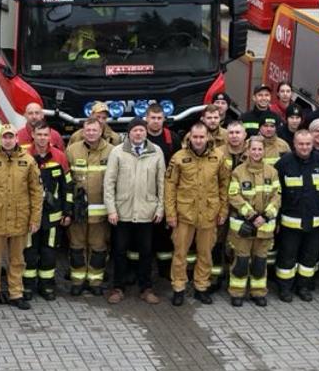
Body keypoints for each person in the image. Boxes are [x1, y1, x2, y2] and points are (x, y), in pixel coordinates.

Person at [0, 125, 42, 311]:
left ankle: (16, 294)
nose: (8, 140)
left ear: (16, 139)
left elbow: (36, 192)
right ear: (0, 139)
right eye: (5, 137)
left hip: (20, 219)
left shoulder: (28, 161)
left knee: (17, 260)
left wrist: (35, 218)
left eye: (11, 137)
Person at [162, 123, 229, 306]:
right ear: (189, 137)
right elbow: (170, 187)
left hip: (209, 213)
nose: (198, 140)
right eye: (195, 137)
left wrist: (223, 210)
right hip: (184, 214)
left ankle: (201, 287)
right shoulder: (178, 158)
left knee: (205, 253)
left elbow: (224, 185)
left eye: (202, 137)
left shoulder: (218, 157)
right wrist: (170, 214)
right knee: (180, 254)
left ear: (208, 137)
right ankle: (178, 288)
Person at [105, 121, 166, 305]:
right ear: (129, 133)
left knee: (146, 252)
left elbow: (162, 182)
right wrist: (111, 209)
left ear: (146, 132)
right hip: (122, 211)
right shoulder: (117, 152)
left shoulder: (156, 152)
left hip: (147, 212)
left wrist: (160, 208)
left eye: (141, 130)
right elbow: (109, 182)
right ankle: (118, 288)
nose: (138, 133)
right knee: (120, 251)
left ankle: (146, 288)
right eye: (134, 130)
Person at [274, 129, 319, 302]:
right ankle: (285, 288)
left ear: (313, 144)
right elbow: (277, 194)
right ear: (294, 144)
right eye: (301, 144)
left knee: (309, 257)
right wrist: (276, 220)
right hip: (290, 223)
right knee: (287, 257)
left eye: (308, 144)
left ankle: (303, 287)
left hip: (315, 222)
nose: (304, 147)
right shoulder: (283, 163)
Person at [225, 135, 280, 306]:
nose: (256, 152)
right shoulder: (238, 172)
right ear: (247, 151)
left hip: (264, 227)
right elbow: (234, 196)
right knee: (241, 262)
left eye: (260, 149)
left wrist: (266, 215)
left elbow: (277, 196)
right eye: (253, 149)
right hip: (244, 227)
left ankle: (258, 292)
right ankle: (237, 293)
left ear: (264, 151)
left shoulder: (272, 172)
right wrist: (252, 215)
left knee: (260, 262)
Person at [66, 118, 114, 296]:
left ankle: (95, 281)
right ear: (83, 131)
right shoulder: (72, 150)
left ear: (101, 131)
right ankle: (77, 281)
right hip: (78, 211)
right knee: (76, 247)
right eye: (88, 130)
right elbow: (66, 180)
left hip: (101, 212)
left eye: (95, 130)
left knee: (99, 248)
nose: (91, 133)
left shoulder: (111, 151)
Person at [25, 125, 70, 300]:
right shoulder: (25, 156)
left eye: (45, 134)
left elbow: (67, 187)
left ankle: (46, 286)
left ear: (50, 136)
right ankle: (28, 286)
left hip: (52, 217)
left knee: (49, 253)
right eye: (39, 134)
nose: (42, 138)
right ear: (33, 135)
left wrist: (67, 212)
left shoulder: (59, 157)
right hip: (30, 216)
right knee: (29, 252)